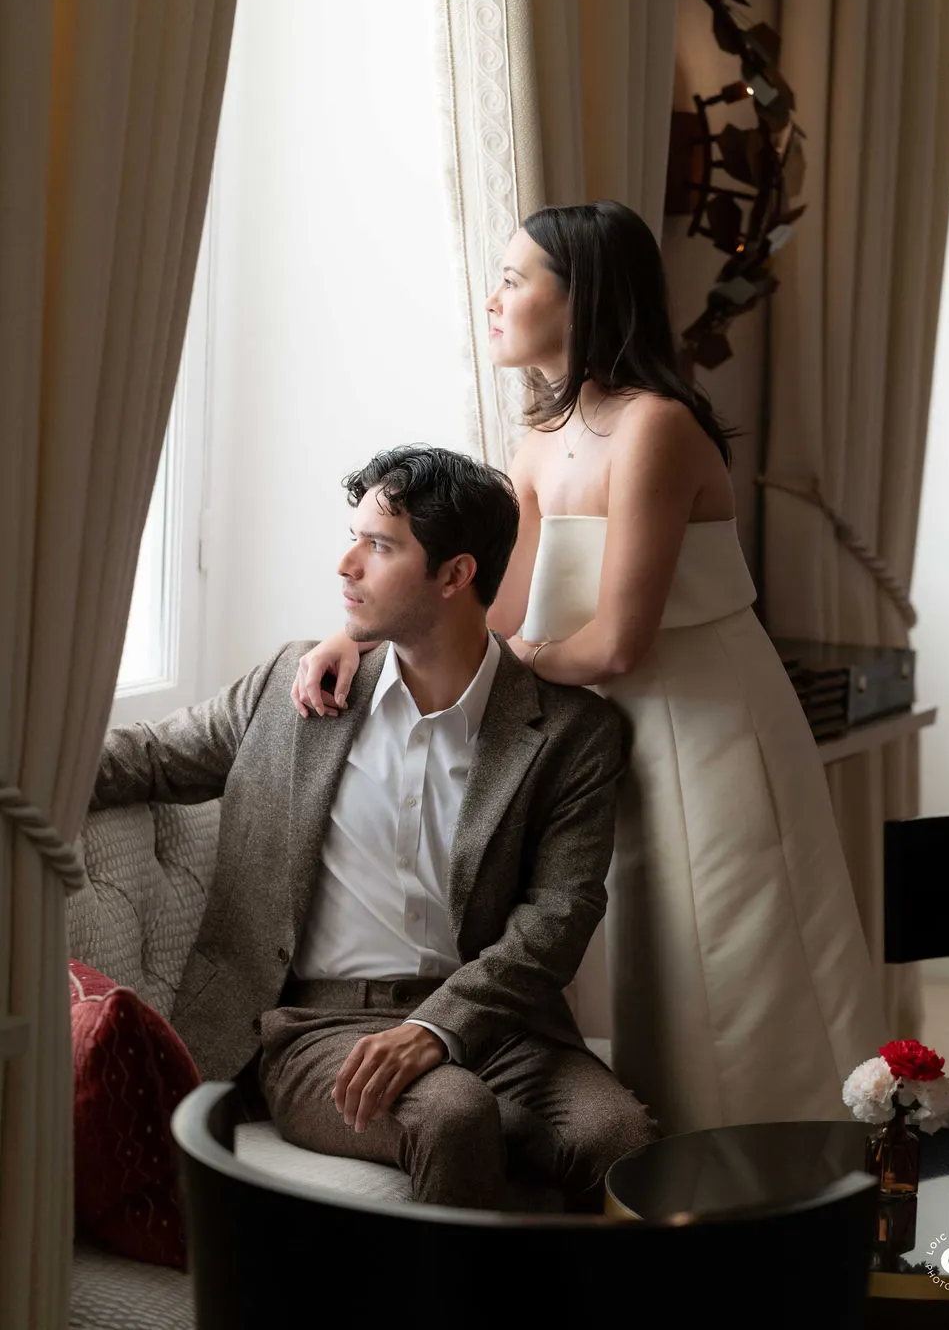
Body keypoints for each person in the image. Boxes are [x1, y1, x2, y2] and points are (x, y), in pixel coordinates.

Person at [293, 201, 885, 1135]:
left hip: (706, 731)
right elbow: (491, 609)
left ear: (583, 298)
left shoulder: (657, 428)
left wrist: (522, 662)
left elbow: (616, 642)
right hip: (606, 732)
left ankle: (789, 1166)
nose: (493, 299)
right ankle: (662, 1174)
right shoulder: (539, 444)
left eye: (514, 279)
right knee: (654, 974)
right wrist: (356, 642)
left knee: (735, 967)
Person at [94, 445, 658, 1211]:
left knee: (617, 1137)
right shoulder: (300, 684)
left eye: (380, 546)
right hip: (318, 1026)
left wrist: (438, 1026)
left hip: (494, 1022)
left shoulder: (569, 731)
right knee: (452, 1114)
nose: (346, 563)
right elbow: (153, 756)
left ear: (455, 575)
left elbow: (559, 915)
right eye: (352, 536)